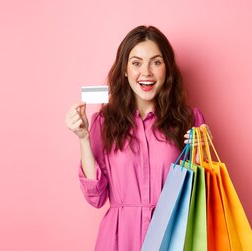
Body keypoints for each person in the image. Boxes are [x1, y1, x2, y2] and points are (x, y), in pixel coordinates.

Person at [64, 25, 210, 251]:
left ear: (167, 69)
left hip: (173, 238)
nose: (146, 72)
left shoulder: (190, 120)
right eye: (136, 63)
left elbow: (202, 197)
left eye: (156, 62)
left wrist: (203, 152)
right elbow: (96, 198)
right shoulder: (104, 122)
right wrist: (83, 138)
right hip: (119, 239)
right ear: (124, 70)